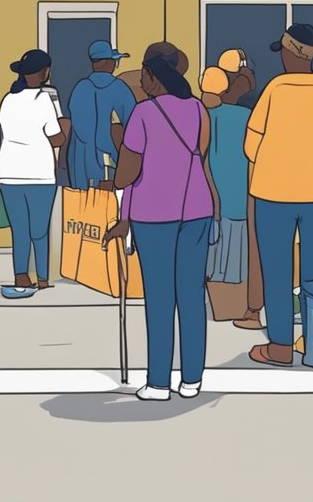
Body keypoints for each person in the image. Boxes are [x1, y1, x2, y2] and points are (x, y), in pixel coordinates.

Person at [105, 44, 216, 401]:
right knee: (191, 295)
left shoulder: (142, 114)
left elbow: (127, 177)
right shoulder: (199, 109)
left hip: (154, 216)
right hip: (197, 209)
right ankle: (192, 379)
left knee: (160, 297)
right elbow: (200, 156)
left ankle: (157, 382)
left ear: (152, 75)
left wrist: (119, 146)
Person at [244, 23, 313, 367]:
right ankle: (312, 339)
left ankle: (280, 346)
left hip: (272, 194)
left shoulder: (274, 90)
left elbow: (250, 146)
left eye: (285, 52)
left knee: (277, 269)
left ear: (292, 54)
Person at [0, 49, 71, 299]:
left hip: (9, 172)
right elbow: (57, 138)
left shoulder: (8, 99)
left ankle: (20, 275)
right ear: (45, 73)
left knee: (19, 229)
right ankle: (41, 277)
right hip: (39, 173)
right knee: (39, 230)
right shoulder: (44, 101)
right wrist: (65, 123)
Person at [201, 54, 260, 329]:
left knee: (214, 259)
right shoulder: (246, 116)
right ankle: (235, 307)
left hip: (209, 204)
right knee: (238, 261)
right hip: (242, 200)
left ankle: (220, 305)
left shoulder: (201, 116)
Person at [67, 42, 137, 191]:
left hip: (80, 163)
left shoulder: (80, 88)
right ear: (107, 62)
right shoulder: (120, 88)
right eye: (115, 61)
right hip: (110, 160)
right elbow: (133, 127)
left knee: (83, 208)